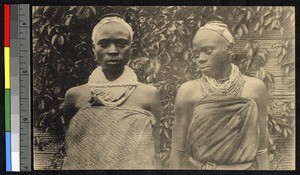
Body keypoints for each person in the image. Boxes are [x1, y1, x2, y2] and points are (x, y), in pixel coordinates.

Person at [62, 14, 162, 169]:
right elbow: (72, 148)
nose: (113, 51)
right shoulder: (75, 96)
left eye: (121, 44)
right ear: (93, 49)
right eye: (104, 44)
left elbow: (155, 154)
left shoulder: (149, 95)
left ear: (131, 48)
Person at [170, 21, 269, 170]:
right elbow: (177, 150)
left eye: (207, 51)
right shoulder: (188, 91)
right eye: (195, 54)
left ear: (229, 49)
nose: (200, 59)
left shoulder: (255, 88)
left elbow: (262, 148)